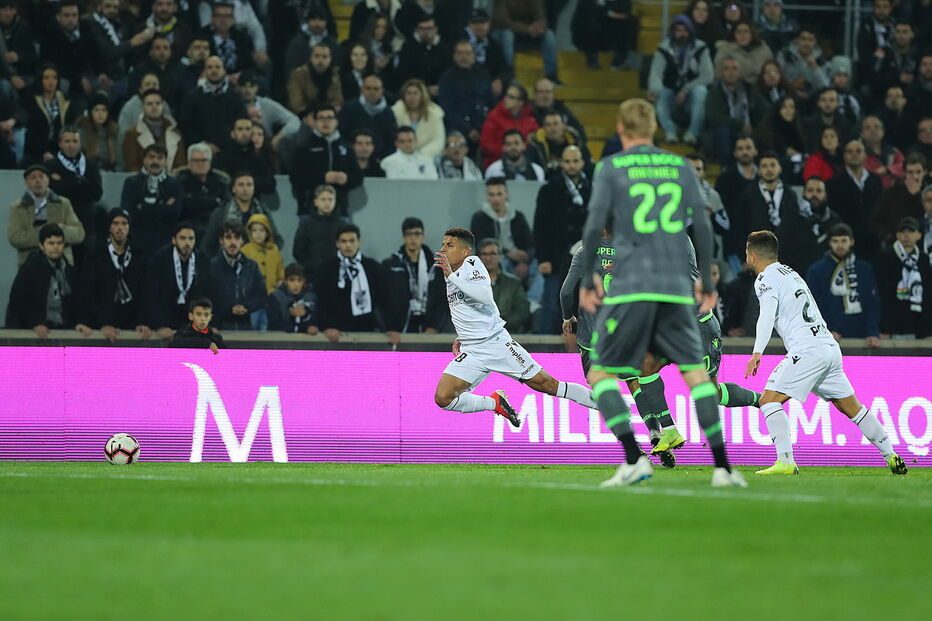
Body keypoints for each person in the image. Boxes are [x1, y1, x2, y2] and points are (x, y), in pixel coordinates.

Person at [578, 98, 742, 488]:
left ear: (620, 129)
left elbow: (595, 224)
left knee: (600, 372)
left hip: (633, 286)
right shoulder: (680, 166)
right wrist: (708, 282)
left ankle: (634, 459)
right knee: (697, 376)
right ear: (654, 129)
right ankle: (723, 469)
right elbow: (702, 226)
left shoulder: (611, 167)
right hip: (675, 289)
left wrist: (589, 278)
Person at [743, 230, 907, 475]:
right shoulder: (791, 273)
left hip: (808, 350)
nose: (746, 259)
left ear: (753, 256)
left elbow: (766, 314)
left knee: (768, 401)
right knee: (852, 408)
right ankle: (891, 454)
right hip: (828, 347)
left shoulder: (765, 278)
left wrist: (757, 352)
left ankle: (785, 462)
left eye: (747, 254)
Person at [431, 226, 596, 428]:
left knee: (548, 385)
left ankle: (608, 405)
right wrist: (462, 336)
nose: (443, 249)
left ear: (465, 251)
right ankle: (495, 403)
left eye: (450, 245)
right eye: (443, 244)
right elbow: (468, 309)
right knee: (443, 397)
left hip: (495, 343)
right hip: (472, 349)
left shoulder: (472, 263)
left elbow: (484, 296)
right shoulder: (451, 273)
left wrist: (451, 275)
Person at [533, 145, 590, 333]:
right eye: (567, 161)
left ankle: (579, 344)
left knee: (582, 304)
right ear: (561, 163)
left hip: (585, 257)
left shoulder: (593, 189)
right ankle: (547, 344)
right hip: (556, 258)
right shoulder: (549, 190)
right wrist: (543, 258)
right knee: (552, 304)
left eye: (575, 161)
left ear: (582, 162)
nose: (571, 165)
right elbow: (540, 227)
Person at [5, 223, 91, 338]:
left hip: (65, 332)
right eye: (51, 243)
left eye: (59, 243)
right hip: (32, 335)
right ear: (41, 245)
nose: (56, 247)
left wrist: (80, 322)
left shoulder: (71, 272)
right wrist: (34, 324)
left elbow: (80, 303)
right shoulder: (29, 270)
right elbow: (18, 304)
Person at [80, 208, 150, 342]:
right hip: (102, 324)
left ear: (129, 227)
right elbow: (89, 293)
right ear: (109, 227)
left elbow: (145, 292)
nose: (120, 228)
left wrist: (141, 321)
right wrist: (102, 323)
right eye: (116, 223)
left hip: (132, 324)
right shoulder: (95, 255)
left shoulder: (139, 256)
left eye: (124, 223)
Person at [804, 223, 880, 347]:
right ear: (829, 243)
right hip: (827, 337)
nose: (839, 245)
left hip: (861, 336)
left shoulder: (865, 269)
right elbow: (812, 305)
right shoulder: (816, 271)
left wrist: (873, 332)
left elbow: (872, 303)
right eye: (835, 241)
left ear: (852, 242)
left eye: (844, 241)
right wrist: (825, 330)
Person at [314, 223, 390, 342]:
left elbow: (384, 299)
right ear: (337, 244)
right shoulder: (325, 268)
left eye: (352, 241)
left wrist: (390, 327)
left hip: (368, 330)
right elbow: (321, 300)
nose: (348, 245)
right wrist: (326, 326)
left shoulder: (373, 266)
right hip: (336, 332)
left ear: (359, 242)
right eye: (343, 241)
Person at [647, 14, 713, 145]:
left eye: (685, 30)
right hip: (671, 97)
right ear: (673, 32)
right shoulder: (663, 49)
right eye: (678, 30)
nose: (682, 34)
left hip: (691, 99)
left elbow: (708, 76)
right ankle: (670, 132)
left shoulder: (701, 48)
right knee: (660, 93)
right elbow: (655, 75)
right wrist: (655, 90)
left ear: (690, 31)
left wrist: (685, 90)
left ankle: (693, 133)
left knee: (700, 91)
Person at [46, 126, 104, 264]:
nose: (71, 145)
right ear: (60, 143)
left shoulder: (90, 165)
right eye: (67, 141)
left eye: (74, 141)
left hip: (86, 223)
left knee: (86, 265)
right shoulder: (50, 165)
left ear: (80, 143)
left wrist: (65, 182)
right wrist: (81, 184)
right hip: (60, 222)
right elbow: (53, 191)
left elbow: (97, 193)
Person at [382, 217, 448, 336]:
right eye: (409, 234)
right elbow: (386, 300)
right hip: (400, 330)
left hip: (428, 328)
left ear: (423, 236)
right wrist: (390, 327)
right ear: (403, 237)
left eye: (417, 234)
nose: (413, 238)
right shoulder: (391, 265)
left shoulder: (436, 266)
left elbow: (442, 299)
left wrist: (435, 327)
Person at [8, 164, 84, 266]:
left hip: (62, 263)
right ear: (26, 182)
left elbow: (79, 234)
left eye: (41, 177)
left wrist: (60, 230)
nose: (38, 181)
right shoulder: (18, 207)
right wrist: (45, 234)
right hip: (29, 264)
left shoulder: (63, 203)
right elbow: (15, 238)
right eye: (33, 178)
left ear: (48, 180)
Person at [291, 104, 360, 216]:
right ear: (315, 122)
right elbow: (296, 178)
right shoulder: (304, 147)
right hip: (309, 210)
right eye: (321, 118)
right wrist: (323, 178)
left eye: (329, 118)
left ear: (336, 122)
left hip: (340, 210)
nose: (325, 122)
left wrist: (346, 179)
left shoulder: (346, 148)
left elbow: (358, 177)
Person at [120, 143, 184, 256]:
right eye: (151, 157)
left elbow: (174, 214)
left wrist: (142, 207)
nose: (155, 161)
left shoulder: (174, 184)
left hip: (164, 238)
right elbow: (128, 212)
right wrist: (162, 207)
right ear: (144, 160)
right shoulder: (131, 182)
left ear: (166, 161)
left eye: (160, 158)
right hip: (137, 236)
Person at [705, 55, 769, 166]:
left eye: (734, 68)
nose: (731, 72)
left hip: (751, 131)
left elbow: (765, 109)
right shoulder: (714, 92)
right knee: (723, 131)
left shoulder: (750, 89)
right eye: (727, 68)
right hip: (727, 133)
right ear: (721, 72)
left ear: (740, 72)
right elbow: (714, 118)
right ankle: (727, 168)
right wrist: (740, 125)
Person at [85, 0, 156, 99]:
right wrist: (133, 42)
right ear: (99, 7)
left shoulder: (119, 23)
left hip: (120, 74)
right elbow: (107, 53)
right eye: (108, 6)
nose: (112, 10)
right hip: (97, 74)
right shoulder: (91, 23)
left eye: (115, 7)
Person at [827, 140, 883, 264]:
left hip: (873, 242)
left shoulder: (876, 181)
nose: (854, 154)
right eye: (850, 151)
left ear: (865, 155)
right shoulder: (833, 183)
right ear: (844, 156)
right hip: (845, 242)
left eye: (858, 151)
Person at [470, 177, 534, 286]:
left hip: (519, 258)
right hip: (499, 257)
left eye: (499, 194)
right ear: (487, 197)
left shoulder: (518, 216)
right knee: (500, 262)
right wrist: (509, 254)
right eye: (491, 195)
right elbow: (482, 245)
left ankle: (530, 297)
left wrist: (525, 260)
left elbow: (530, 243)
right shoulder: (479, 218)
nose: (495, 199)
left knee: (539, 266)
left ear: (506, 195)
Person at [875, 217, 932, 339]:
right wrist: (885, 327)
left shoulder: (924, 259)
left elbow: (927, 296)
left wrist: (928, 330)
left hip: (919, 324)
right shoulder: (885, 257)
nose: (906, 235)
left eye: (910, 231)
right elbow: (883, 295)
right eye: (903, 232)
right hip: (893, 324)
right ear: (897, 235)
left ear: (919, 235)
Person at [438, 39, 494, 155]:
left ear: (474, 56)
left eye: (467, 53)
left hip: (482, 125)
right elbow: (446, 109)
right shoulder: (447, 78)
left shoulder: (483, 75)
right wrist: (468, 130)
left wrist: (483, 127)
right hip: (457, 126)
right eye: (460, 53)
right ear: (454, 56)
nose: (464, 57)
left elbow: (491, 102)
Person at [204, 171, 281, 257]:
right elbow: (209, 244)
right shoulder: (221, 213)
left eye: (249, 185)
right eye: (241, 185)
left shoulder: (263, 212)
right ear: (233, 189)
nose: (245, 189)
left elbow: (277, 239)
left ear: (254, 189)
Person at [179, 55, 247, 151]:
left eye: (217, 67)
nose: (214, 70)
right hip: (200, 150)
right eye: (210, 67)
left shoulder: (235, 97)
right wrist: (203, 144)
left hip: (230, 149)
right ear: (204, 71)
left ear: (224, 71)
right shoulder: (192, 97)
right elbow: (186, 126)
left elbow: (241, 122)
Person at [207, 222, 266, 331]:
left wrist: (247, 307)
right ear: (221, 240)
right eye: (228, 237)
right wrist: (228, 310)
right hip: (219, 327)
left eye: (237, 238)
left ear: (242, 241)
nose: (233, 242)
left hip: (247, 327)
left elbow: (261, 295)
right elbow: (207, 298)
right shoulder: (211, 266)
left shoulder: (251, 266)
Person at [732, 152, 799, 245]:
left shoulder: (790, 194)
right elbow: (740, 226)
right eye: (764, 166)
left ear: (780, 168)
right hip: (756, 249)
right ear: (758, 171)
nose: (769, 169)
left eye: (773, 165)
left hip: (785, 249)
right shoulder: (748, 194)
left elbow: (795, 225)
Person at [39, 1, 99, 99]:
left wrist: (101, 73)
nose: (71, 19)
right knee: (64, 84)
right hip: (61, 76)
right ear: (58, 17)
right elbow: (54, 65)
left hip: (82, 75)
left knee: (101, 84)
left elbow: (95, 55)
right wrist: (79, 80)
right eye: (66, 15)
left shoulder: (84, 30)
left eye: (74, 15)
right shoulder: (50, 34)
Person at [175, 142, 231, 245]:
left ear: (210, 163)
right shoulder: (179, 182)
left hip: (216, 228)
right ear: (189, 163)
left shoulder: (221, 182)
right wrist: (214, 201)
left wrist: (195, 202)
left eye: (204, 160)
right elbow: (183, 207)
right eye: (196, 160)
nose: (200, 164)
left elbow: (227, 206)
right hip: (188, 230)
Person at [491, 0, 559, 83]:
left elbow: (541, 18)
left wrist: (539, 27)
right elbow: (502, 21)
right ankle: (508, 75)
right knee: (507, 35)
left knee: (549, 34)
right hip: (505, 35)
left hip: (527, 36)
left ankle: (551, 76)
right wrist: (527, 29)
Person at [122, 89, 186, 173]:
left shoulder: (176, 133)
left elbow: (180, 165)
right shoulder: (132, 134)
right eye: (149, 104)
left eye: (158, 103)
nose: (154, 107)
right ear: (142, 107)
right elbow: (132, 166)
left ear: (163, 106)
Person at [23, 64, 75, 166]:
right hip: (37, 151)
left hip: (60, 150)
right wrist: (43, 152)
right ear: (40, 80)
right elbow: (32, 132)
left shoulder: (65, 102)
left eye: (54, 77)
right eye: (46, 78)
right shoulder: (32, 101)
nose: (51, 81)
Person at [338, 73, 397, 160]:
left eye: (376, 89)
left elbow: (392, 141)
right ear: (362, 89)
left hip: (380, 160)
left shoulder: (388, 113)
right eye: (368, 88)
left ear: (382, 91)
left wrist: (384, 159)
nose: (372, 92)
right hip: (351, 159)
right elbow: (341, 135)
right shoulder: (349, 108)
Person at [212, 115, 275, 196]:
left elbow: (271, 184)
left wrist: (249, 182)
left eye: (248, 129)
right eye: (240, 129)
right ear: (232, 134)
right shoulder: (221, 157)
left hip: (254, 201)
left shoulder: (259, 158)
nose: (244, 133)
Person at [479, 82, 538, 168]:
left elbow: (535, 144)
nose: (506, 99)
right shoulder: (494, 116)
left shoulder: (530, 120)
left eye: (511, 97)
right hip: (497, 164)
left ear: (520, 102)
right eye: (506, 95)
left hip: (525, 164)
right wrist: (511, 151)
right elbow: (485, 145)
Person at [872, 153, 927, 246]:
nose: (915, 176)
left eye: (918, 172)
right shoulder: (892, 192)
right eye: (910, 172)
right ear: (904, 173)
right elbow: (876, 219)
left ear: (924, 172)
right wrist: (888, 236)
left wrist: (917, 195)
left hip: (923, 243)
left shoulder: (928, 193)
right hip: (895, 243)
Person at [477, 238, 530, 333]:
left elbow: (522, 312)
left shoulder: (513, 283)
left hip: (507, 333)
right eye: (484, 254)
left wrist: (501, 323)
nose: (488, 258)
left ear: (500, 257)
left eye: (493, 254)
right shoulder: (469, 283)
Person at [293, 184, 343, 281]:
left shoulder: (342, 225)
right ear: (316, 202)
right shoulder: (306, 224)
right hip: (312, 275)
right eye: (323, 199)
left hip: (337, 274)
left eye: (330, 199)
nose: (327, 203)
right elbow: (298, 251)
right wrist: (311, 266)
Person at [572, 0, 639, 71]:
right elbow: (588, 9)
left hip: (608, 34)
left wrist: (610, 12)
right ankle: (592, 60)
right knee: (591, 20)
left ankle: (618, 62)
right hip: (587, 35)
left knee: (629, 21)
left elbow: (625, 11)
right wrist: (610, 13)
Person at [238, 72, 300, 148]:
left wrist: (279, 137)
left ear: (257, 87)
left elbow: (294, 121)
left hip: (266, 147)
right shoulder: (232, 105)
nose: (248, 90)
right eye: (244, 86)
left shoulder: (267, 104)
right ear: (238, 88)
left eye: (251, 86)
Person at [395, 16, 450, 96]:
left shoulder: (443, 48)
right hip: (414, 91)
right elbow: (404, 73)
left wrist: (439, 86)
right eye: (422, 28)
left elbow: (446, 72)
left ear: (436, 29)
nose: (426, 32)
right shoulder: (408, 47)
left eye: (429, 28)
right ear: (417, 30)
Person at [391, 78, 445, 159]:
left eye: (415, 93)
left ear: (422, 95)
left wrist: (421, 156)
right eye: (408, 93)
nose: (412, 97)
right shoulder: (397, 111)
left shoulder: (434, 113)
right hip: (401, 155)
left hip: (427, 156)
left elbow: (438, 141)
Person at [527, 111, 590, 179]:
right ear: (544, 128)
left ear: (564, 126)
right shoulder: (536, 148)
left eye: (556, 124)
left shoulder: (578, 145)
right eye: (548, 125)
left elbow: (588, 167)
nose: (552, 128)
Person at [117, 73, 175, 144]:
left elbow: (171, 128)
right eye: (147, 84)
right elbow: (123, 135)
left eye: (154, 84)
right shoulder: (129, 107)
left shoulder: (164, 105)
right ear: (140, 89)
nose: (151, 87)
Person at [775, 26, 828, 102]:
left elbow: (825, 87)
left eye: (810, 40)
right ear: (797, 40)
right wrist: (791, 86)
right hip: (787, 99)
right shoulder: (784, 55)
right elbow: (776, 80)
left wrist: (815, 68)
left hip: (811, 102)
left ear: (815, 42)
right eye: (803, 39)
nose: (807, 43)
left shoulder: (820, 60)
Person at [463, 9, 508, 97]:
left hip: (489, 88)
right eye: (475, 23)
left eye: (482, 22)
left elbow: (504, 68)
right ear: (469, 25)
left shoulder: (495, 45)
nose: (479, 26)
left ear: (489, 24)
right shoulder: (461, 44)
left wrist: (499, 79)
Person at [287, 43, 342, 114]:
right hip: (304, 115)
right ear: (310, 58)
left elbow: (338, 101)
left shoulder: (334, 74)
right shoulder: (298, 75)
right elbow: (296, 105)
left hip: (328, 115)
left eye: (325, 57)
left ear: (330, 59)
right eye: (317, 56)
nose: (320, 60)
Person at [714, 20, 773, 86]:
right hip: (735, 86)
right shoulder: (725, 51)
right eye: (739, 32)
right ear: (734, 35)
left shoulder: (764, 50)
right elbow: (719, 74)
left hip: (762, 86)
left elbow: (771, 69)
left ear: (752, 33)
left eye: (746, 31)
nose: (743, 35)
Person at [0, 0, 39, 100]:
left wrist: (18, 57)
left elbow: (33, 57)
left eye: (11, 9)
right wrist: (10, 77)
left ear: (15, 10)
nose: (8, 13)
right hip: (3, 76)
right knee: (4, 86)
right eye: (4, 9)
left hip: (23, 73)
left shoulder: (23, 28)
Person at [267, 263, 319, 334]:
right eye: (292, 280)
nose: (296, 284)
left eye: (299, 280)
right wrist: (301, 329)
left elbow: (318, 321)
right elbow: (274, 325)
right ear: (285, 281)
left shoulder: (312, 296)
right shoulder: (275, 297)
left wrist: (305, 315)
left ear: (304, 281)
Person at [530, 78, 586, 143]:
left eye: (548, 92)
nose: (545, 96)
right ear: (535, 94)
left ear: (553, 94)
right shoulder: (527, 110)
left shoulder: (562, 109)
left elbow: (579, 132)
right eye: (541, 92)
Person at [76, 93, 120, 172]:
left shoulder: (114, 132)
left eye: (104, 110)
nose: (100, 114)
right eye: (96, 110)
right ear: (90, 112)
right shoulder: (82, 132)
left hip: (110, 172)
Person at [860, 115, 904, 189]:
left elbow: (905, 167)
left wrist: (888, 170)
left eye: (876, 127)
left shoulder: (894, 151)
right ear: (862, 134)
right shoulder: (858, 153)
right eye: (867, 128)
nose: (872, 130)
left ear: (883, 132)